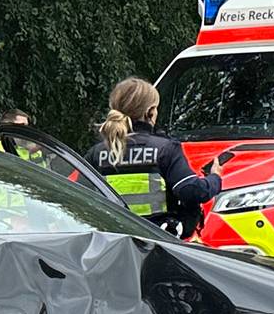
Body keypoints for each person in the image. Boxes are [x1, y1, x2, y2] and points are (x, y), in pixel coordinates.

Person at [87, 77, 228, 239]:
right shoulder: (166, 149)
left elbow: (77, 198)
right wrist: (214, 178)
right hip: (158, 242)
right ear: (151, 112)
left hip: (113, 242)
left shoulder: (96, 154)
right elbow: (192, 191)